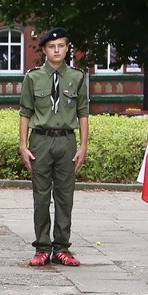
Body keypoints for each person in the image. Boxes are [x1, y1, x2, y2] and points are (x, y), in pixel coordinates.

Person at [18, 27, 90, 267]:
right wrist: (23, 145)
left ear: (67, 48)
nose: (57, 50)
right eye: (51, 46)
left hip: (66, 141)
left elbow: (83, 113)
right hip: (40, 140)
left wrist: (83, 145)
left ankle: (62, 248)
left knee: (65, 196)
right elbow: (25, 112)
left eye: (61, 46)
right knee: (41, 196)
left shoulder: (77, 77)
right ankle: (42, 247)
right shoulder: (33, 77)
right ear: (44, 50)